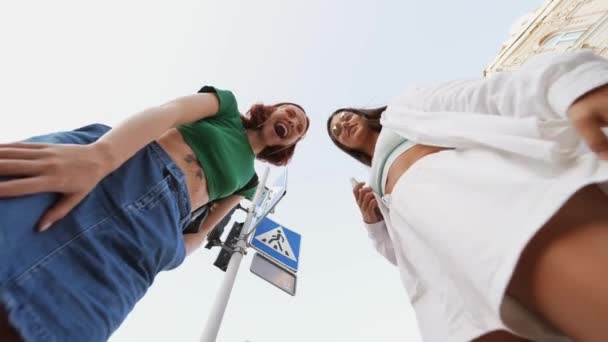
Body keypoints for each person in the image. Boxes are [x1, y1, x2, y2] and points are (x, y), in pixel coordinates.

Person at [327, 50, 608, 342]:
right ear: (346, 148)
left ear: (360, 114)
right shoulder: (376, 186)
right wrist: (372, 222)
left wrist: (570, 84)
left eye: (344, 117)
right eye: (337, 131)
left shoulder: (403, 111)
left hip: (491, 197)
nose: (342, 125)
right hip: (456, 273)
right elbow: (400, 255)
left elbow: (483, 96)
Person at [0, 85, 309, 341]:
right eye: (292, 113)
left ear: (290, 144)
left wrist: (174, 251)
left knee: (66, 323)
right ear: (273, 110)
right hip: (119, 164)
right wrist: (101, 155)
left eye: (300, 129)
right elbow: (168, 112)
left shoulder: (250, 182)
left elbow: (202, 230)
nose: (294, 123)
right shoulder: (226, 107)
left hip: (156, 227)